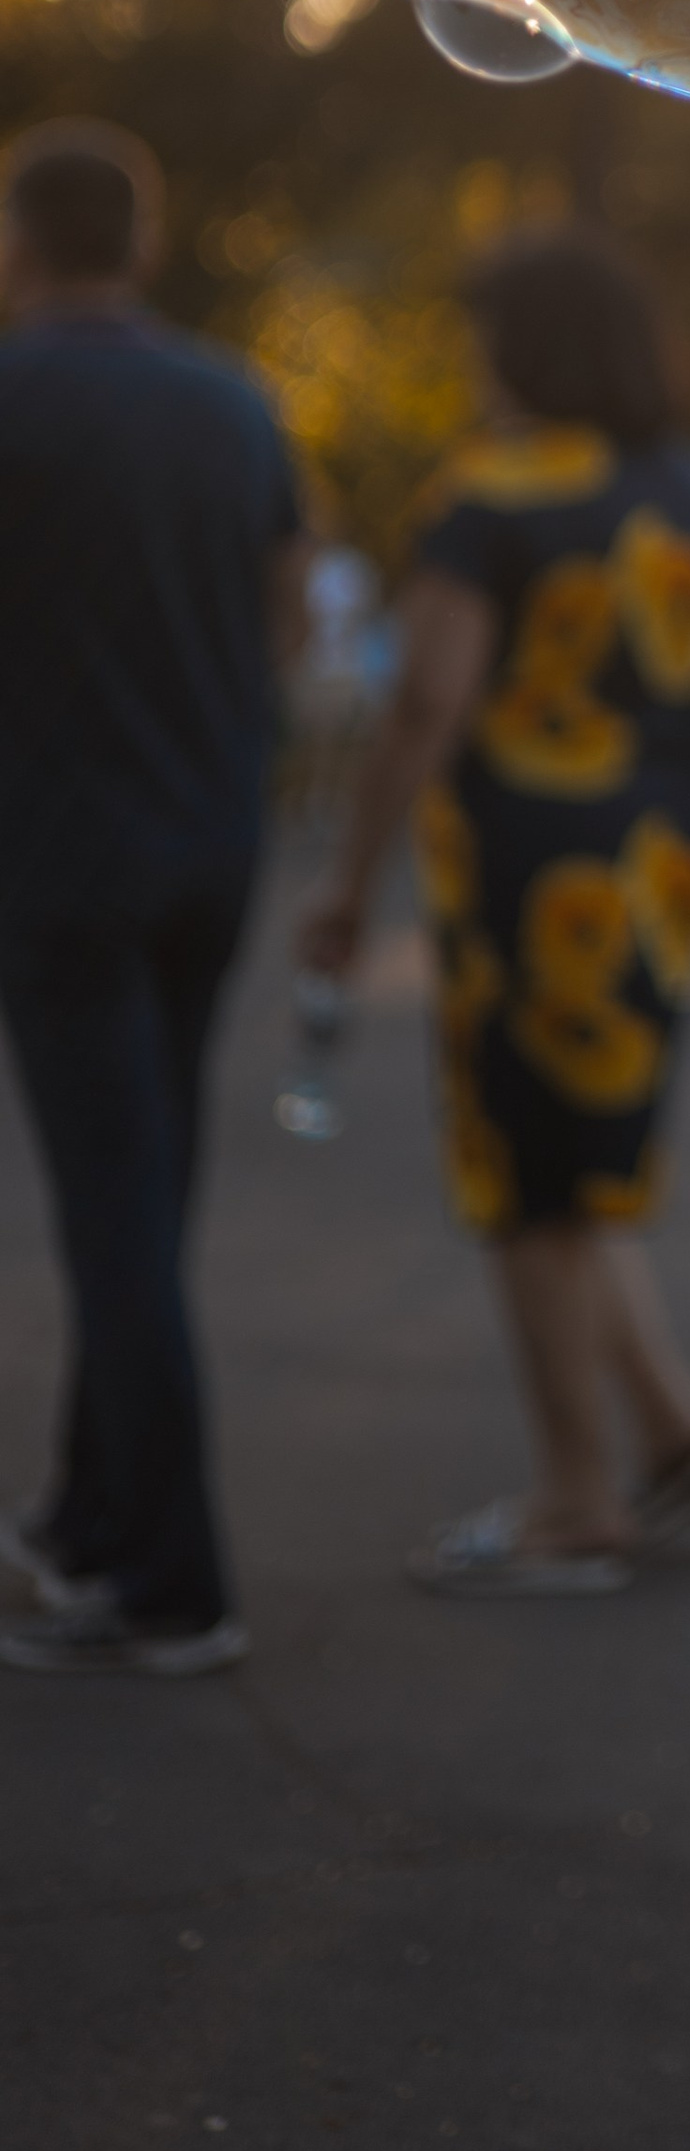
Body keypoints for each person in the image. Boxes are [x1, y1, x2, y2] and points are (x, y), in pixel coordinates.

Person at [299, 228, 690, 1595]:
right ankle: (668, 1431)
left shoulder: (489, 493)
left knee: (529, 1184)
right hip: (663, 864)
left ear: (528, 347)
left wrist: (345, 885)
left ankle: (572, 1501)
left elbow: (429, 701)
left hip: (532, 866)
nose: (472, 365)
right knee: (581, 1163)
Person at [0, 120, 306, 1677]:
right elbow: (287, 623)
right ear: (143, 236)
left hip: (60, 856)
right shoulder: (233, 404)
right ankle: (87, 1516)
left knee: (113, 1209)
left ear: (21, 240)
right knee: (147, 1185)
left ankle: (175, 1585)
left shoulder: (15, 399)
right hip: (213, 844)